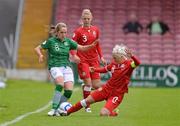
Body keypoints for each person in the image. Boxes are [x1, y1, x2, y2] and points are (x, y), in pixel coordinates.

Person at [34, 22, 98, 116]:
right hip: (55, 66)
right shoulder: (51, 41)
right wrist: (40, 55)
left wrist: (91, 46)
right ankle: (53, 109)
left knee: (68, 91)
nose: (64, 35)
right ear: (57, 32)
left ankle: (58, 108)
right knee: (60, 83)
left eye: (65, 32)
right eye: (62, 32)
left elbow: (82, 48)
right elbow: (37, 48)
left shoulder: (68, 41)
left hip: (66, 67)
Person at [60, 44, 140, 117]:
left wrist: (132, 56)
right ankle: (67, 112)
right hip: (106, 89)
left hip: (116, 94)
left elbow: (137, 63)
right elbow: (105, 69)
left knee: (103, 113)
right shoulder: (113, 64)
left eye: (115, 57)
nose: (113, 59)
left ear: (121, 56)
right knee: (86, 101)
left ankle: (113, 113)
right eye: (113, 57)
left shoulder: (129, 64)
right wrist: (94, 70)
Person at [70, 9, 106, 112]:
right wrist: (74, 55)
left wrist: (101, 56)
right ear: (82, 19)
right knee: (89, 84)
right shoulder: (78, 31)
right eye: (85, 18)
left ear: (91, 18)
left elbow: (97, 44)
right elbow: (72, 45)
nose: (86, 20)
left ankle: (86, 87)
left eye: (88, 18)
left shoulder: (96, 30)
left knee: (96, 85)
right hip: (83, 60)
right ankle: (87, 106)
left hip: (94, 60)